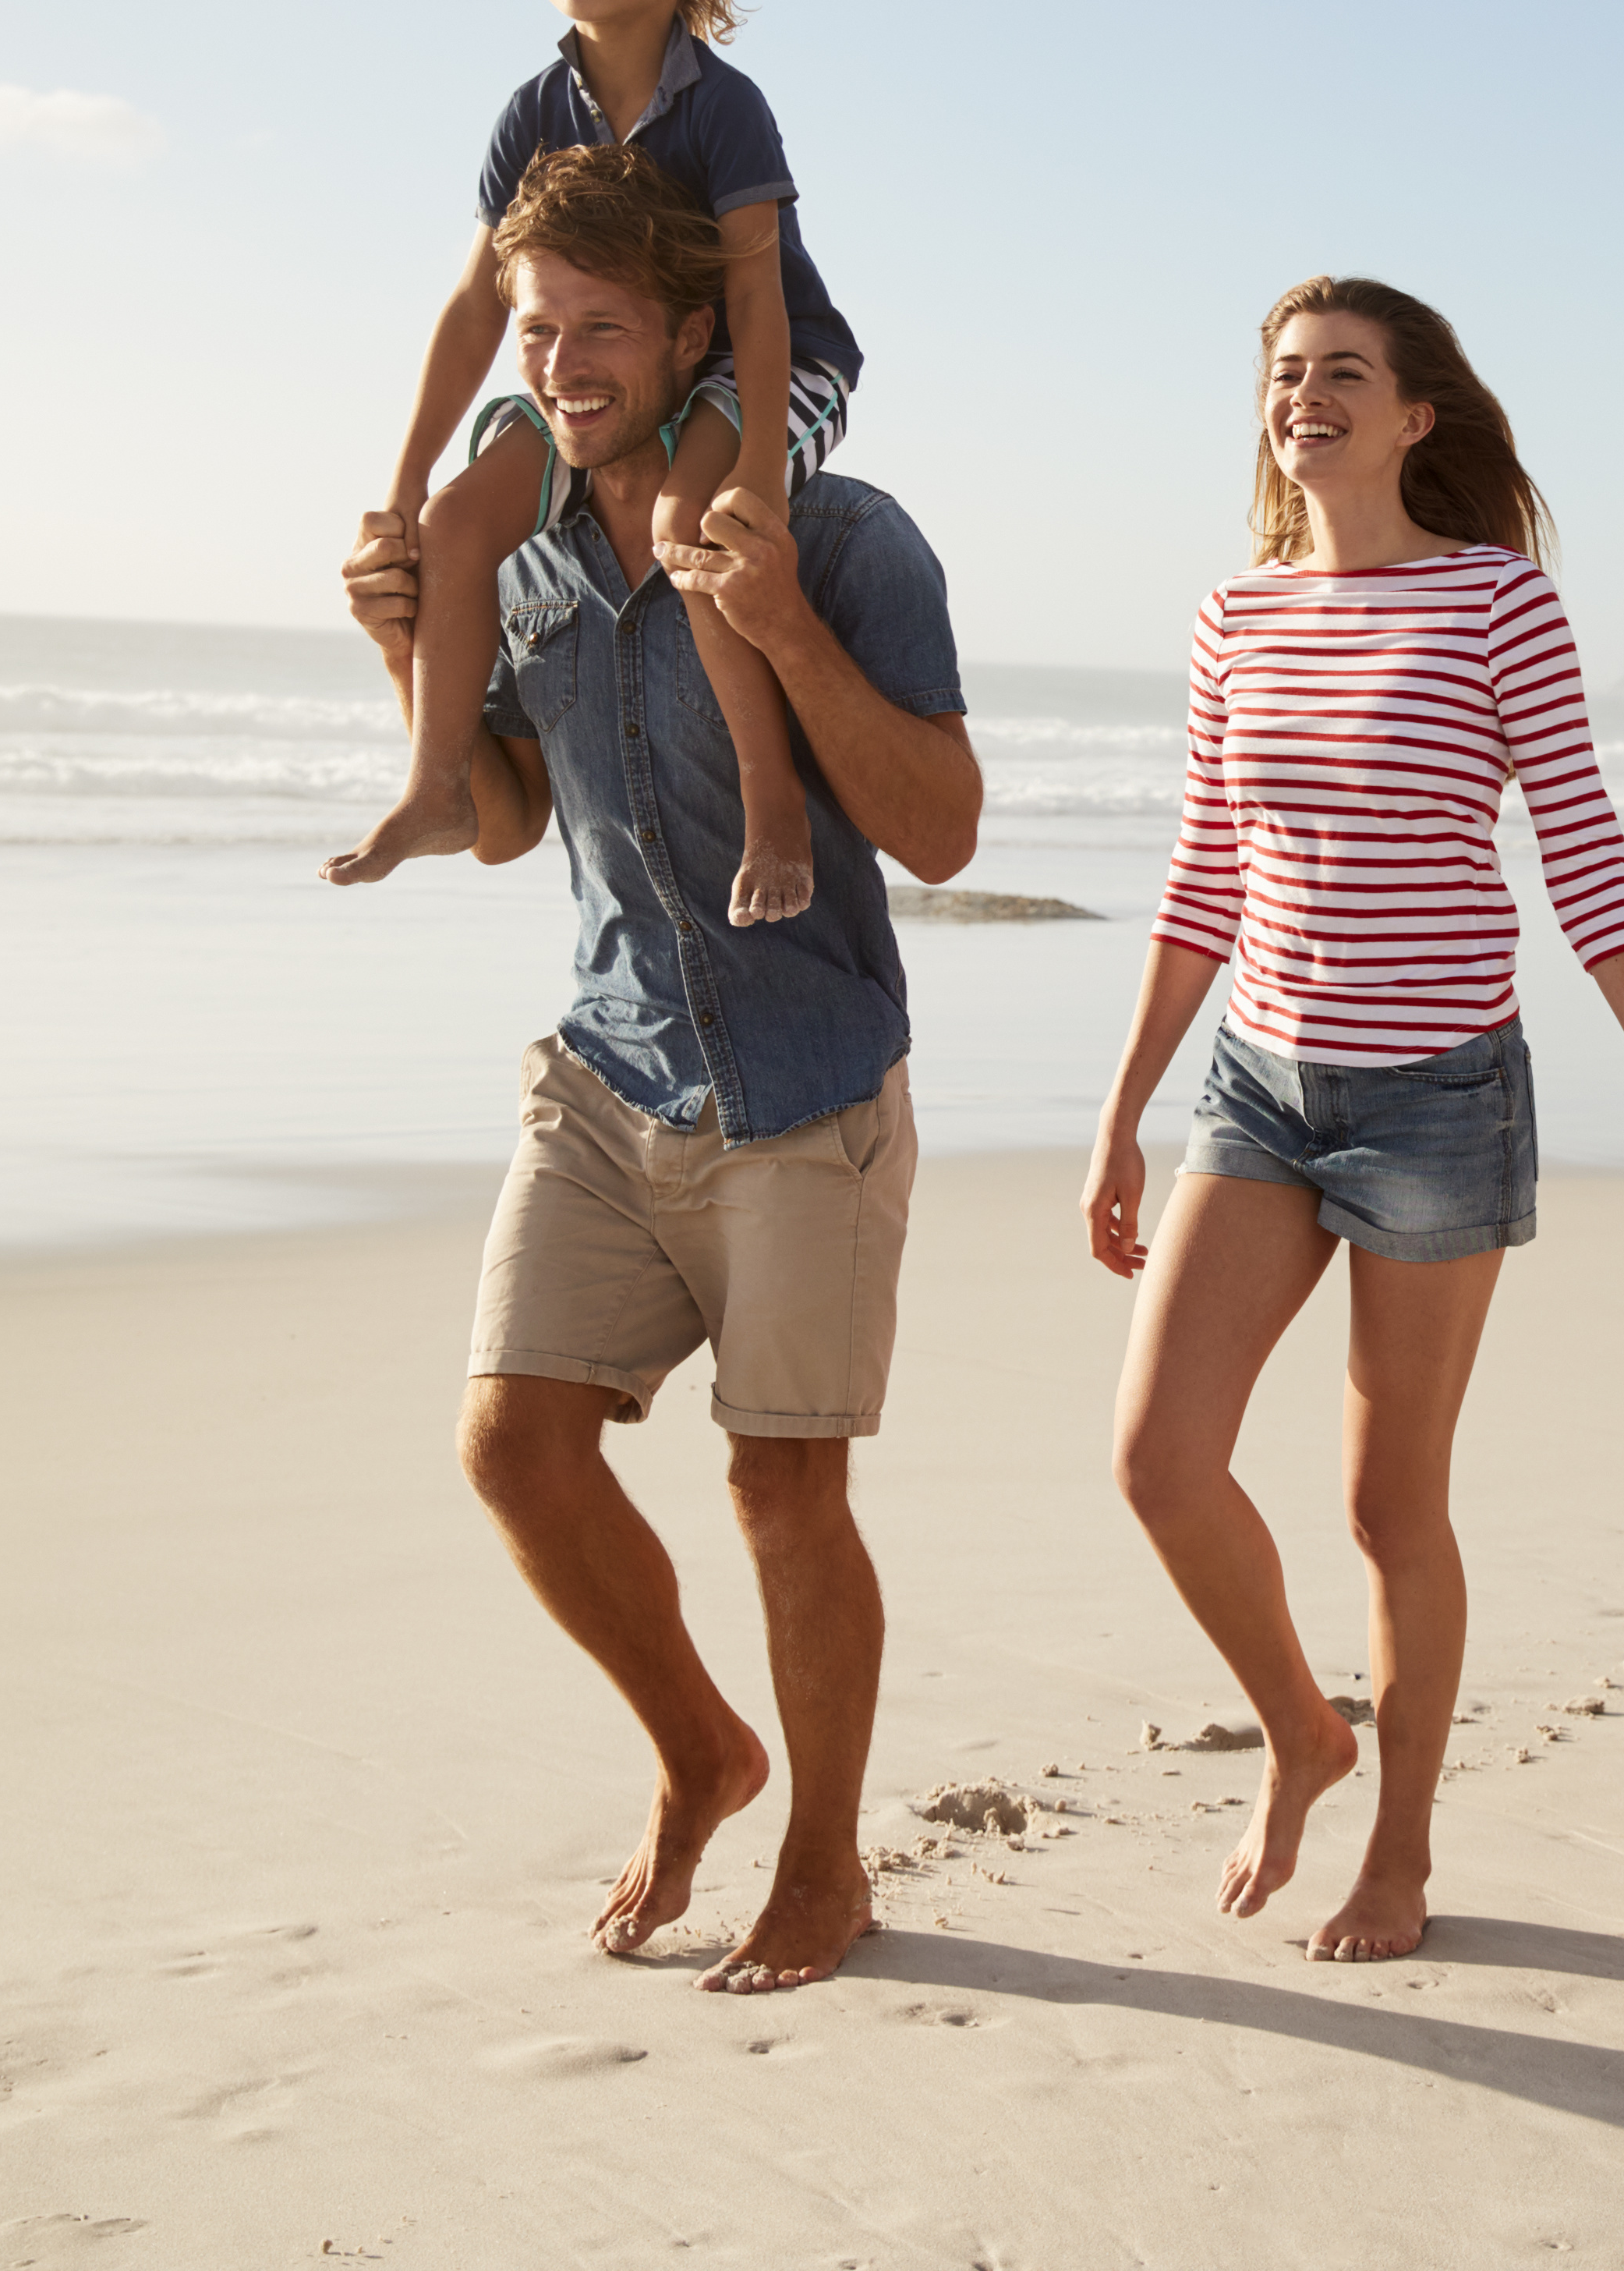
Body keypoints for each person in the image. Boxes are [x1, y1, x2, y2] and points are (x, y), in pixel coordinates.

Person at [334, 143, 982, 1997]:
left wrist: (778, 622)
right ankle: (704, 1750)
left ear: (698, 330)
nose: (561, 363)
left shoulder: (848, 539)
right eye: (536, 329)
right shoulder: (520, 548)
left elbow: (939, 832)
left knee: (784, 1492)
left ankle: (826, 1860)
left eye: (602, 327)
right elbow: (502, 816)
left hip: (806, 1086)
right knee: (515, 1446)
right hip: (609, 1066)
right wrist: (405, 670)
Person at [1081, 277, 1624, 1965]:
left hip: (1437, 1100)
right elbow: (1205, 875)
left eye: (1342, 375)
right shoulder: (1235, 614)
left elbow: (1586, 853)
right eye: (1285, 376)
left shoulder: (1497, 603)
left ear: (1411, 418)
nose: (1305, 397)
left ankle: (1402, 1849)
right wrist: (1120, 1113)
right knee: (1161, 1461)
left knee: (1391, 1507)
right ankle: (1306, 1730)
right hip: (1260, 1084)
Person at [330, 0, 864, 931]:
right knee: (460, 521)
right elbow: (479, 311)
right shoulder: (533, 113)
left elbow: (759, 304)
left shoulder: (725, 110)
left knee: (687, 520)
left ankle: (773, 805)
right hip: (603, 375)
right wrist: (398, 493)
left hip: (763, 363)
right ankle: (432, 786)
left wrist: (756, 473)